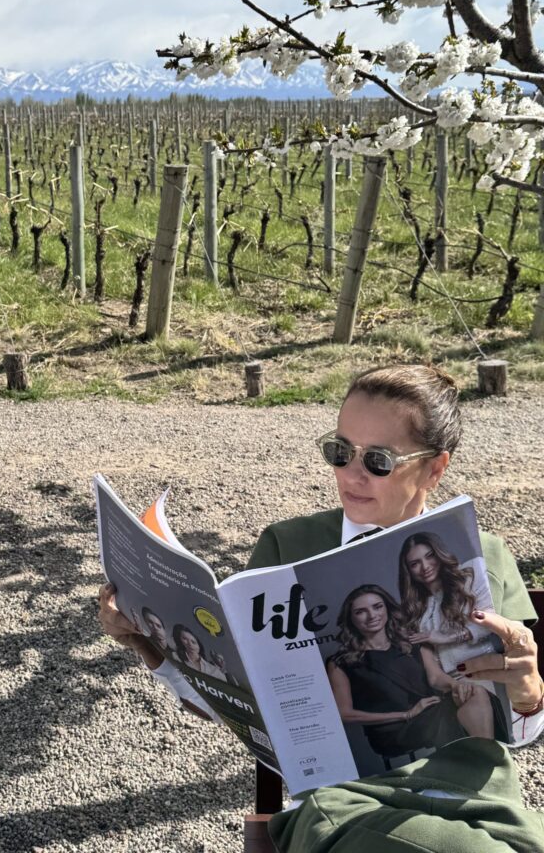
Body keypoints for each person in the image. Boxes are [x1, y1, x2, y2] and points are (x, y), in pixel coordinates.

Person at [98, 365, 543, 851]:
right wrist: (152, 648)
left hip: (480, 801)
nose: (351, 475)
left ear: (435, 468)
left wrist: (528, 692)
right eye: (339, 452)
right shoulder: (287, 547)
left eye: (378, 460)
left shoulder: (482, 555)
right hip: (346, 805)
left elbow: (517, 734)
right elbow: (243, 711)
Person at [327, 583, 494, 761]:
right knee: (450, 713)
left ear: (387, 608)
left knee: (474, 692)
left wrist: (456, 685)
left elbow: (436, 678)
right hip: (393, 730)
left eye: (377, 607)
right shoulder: (341, 662)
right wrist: (407, 714)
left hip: (431, 710)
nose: (372, 616)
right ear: (350, 618)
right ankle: (482, 763)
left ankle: (483, 758)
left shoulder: (413, 642)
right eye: (361, 611)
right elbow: (345, 714)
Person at [398, 531, 499, 674]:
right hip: (451, 684)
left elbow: (495, 617)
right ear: (408, 571)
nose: (425, 566)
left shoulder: (471, 574)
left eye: (430, 556)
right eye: (415, 564)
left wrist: (447, 637)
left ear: (439, 554)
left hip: (489, 667)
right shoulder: (414, 609)